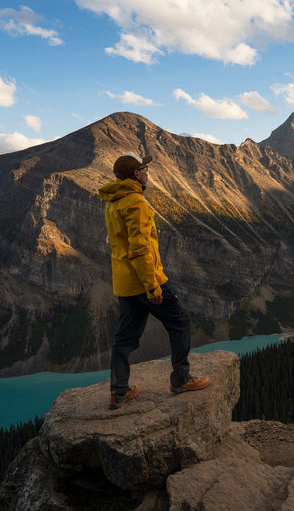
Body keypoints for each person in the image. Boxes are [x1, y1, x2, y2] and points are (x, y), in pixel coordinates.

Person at [98, 150, 209, 409]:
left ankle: (119, 391)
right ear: (137, 174)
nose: (148, 174)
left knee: (125, 337)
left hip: (124, 281)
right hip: (144, 279)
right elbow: (140, 248)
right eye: (145, 171)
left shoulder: (113, 201)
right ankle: (181, 379)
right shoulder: (135, 203)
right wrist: (152, 286)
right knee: (180, 321)